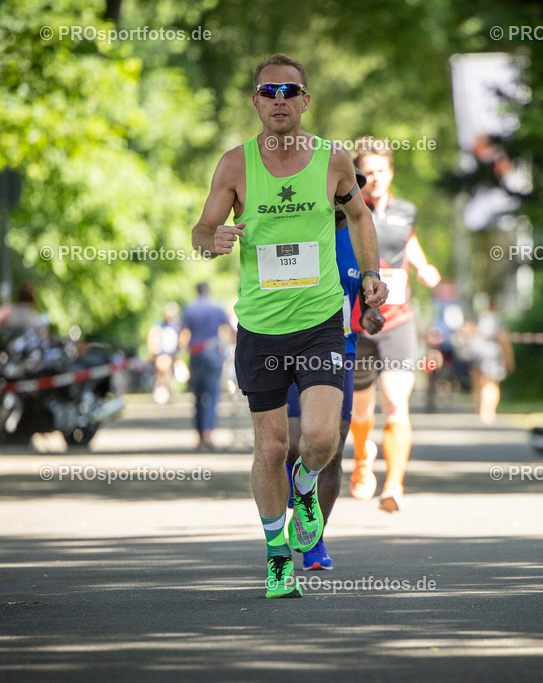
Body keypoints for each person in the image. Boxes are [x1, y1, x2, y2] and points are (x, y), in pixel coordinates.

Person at [191, 53, 387, 598]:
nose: (278, 100)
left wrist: (371, 275)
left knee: (321, 438)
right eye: (267, 91)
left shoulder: (332, 160)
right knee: (272, 448)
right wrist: (215, 240)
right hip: (259, 325)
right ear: (255, 101)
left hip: (321, 320)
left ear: (304, 100)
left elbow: (360, 215)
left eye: (289, 91)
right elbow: (201, 232)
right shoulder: (234, 165)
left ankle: (305, 489)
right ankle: (278, 552)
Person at [284, 171, 384, 570]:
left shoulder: (361, 236)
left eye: (349, 188)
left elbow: (369, 304)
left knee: (330, 450)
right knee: (292, 444)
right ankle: (292, 506)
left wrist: (371, 317)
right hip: (290, 347)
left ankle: (314, 539)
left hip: (339, 349)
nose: (342, 193)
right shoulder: (301, 228)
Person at [348, 138, 441, 513]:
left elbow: (407, 241)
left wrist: (423, 266)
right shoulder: (346, 210)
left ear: (391, 172)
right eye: (367, 173)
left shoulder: (405, 211)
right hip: (357, 320)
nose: (375, 178)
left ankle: (394, 486)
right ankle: (361, 459)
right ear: (356, 174)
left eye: (381, 171)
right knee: (359, 412)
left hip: (398, 319)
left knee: (396, 402)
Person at [179, 284, 232, 450]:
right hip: (213, 356)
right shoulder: (217, 307)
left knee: (197, 395)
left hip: (195, 356)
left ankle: (199, 435)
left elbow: (181, 332)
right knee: (212, 394)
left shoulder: (189, 308)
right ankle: (208, 433)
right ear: (208, 291)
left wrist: (178, 353)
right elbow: (229, 328)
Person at [467, 295, 514, 425]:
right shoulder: (497, 320)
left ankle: (478, 407)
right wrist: (509, 358)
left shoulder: (477, 318)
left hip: (476, 353)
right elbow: (504, 340)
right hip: (491, 355)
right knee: (491, 384)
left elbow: (467, 332)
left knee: (477, 382)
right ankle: (488, 412)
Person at [147, 302, 181, 405]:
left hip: (172, 354)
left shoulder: (177, 325)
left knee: (169, 375)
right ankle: (161, 393)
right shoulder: (159, 324)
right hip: (161, 354)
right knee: (161, 374)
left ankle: (167, 393)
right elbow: (153, 337)